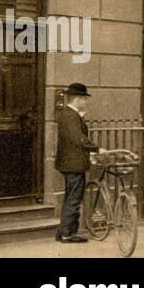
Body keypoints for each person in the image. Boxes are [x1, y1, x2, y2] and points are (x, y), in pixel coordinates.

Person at [54, 83, 105, 243]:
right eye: (84, 99)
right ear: (77, 99)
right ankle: (68, 234)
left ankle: (62, 231)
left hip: (70, 163)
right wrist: (96, 149)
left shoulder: (67, 114)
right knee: (74, 199)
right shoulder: (71, 116)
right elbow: (78, 138)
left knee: (70, 197)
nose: (86, 102)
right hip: (74, 164)